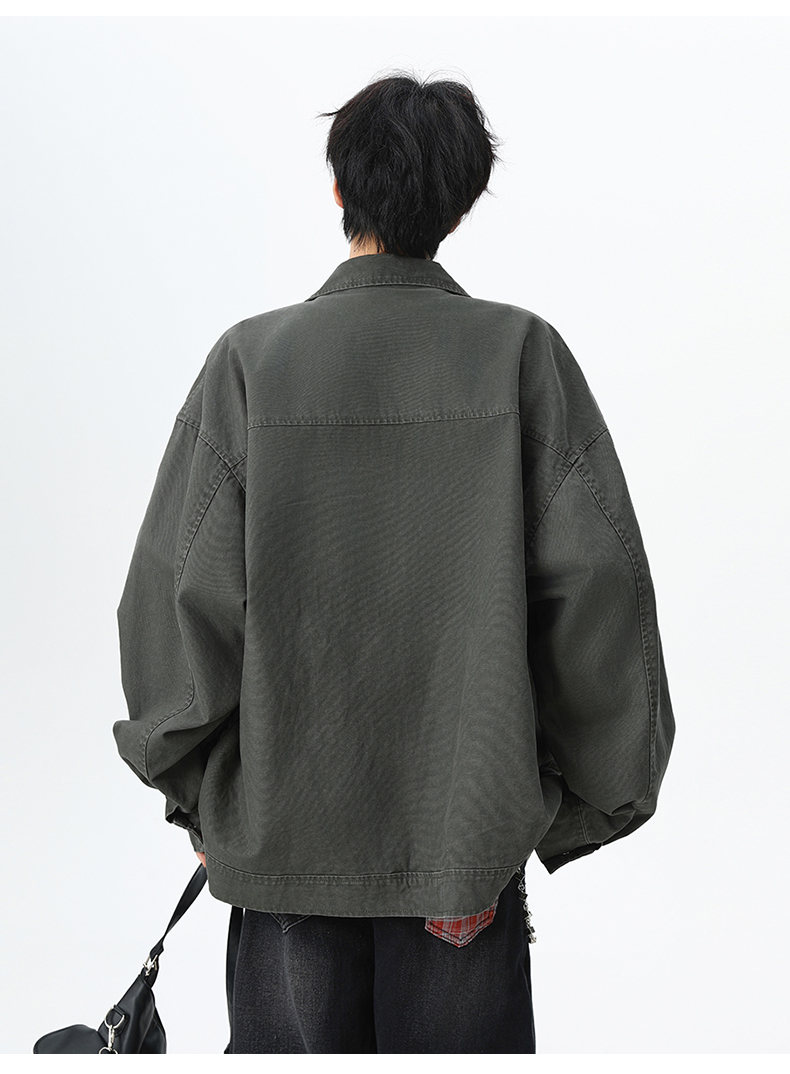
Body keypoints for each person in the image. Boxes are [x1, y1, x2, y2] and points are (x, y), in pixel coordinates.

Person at [112, 71, 676, 1054]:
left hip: (284, 849)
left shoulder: (250, 364)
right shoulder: (521, 357)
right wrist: (569, 808)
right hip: (463, 856)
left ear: (339, 190)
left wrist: (201, 796)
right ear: (460, 206)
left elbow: (172, 599)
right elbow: (598, 598)